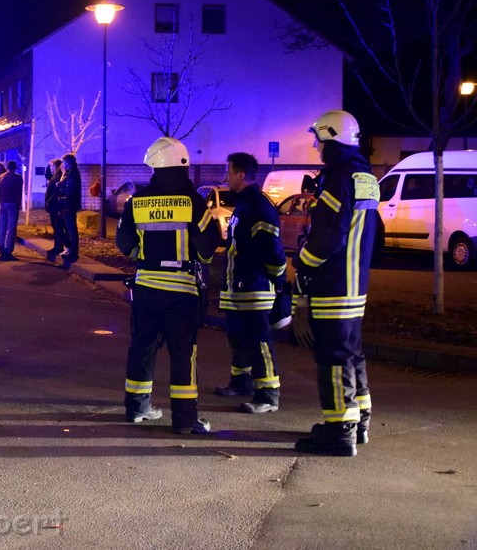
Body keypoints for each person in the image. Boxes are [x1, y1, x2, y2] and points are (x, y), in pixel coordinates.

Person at [116, 137, 221, 434]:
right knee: (183, 354)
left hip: (146, 288)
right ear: (183, 165)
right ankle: (185, 421)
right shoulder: (194, 202)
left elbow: (124, 245)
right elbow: (206, 251)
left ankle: (137, 409)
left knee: (142, 347)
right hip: (182, 291)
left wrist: (145, 257)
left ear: (154, 166)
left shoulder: (138, 201)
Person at [292, 110, 379, 457]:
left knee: (331, 356)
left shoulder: (340, 177)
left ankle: (338, 431)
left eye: (319, 140)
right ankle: (358, 423)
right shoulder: (364, 175)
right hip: (355, 283)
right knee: (351, 354)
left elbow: (328, 235)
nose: (316, 146)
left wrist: (303, 265)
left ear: (332, 139)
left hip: (333, 283)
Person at [215, 152, 287, 414]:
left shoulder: (258, 207)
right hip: (239, 289)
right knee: (238, 338)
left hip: (256, 289)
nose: (226, 177)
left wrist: (279, 283)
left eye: (229, 172)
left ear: (241, 175)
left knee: (259, 341)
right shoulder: (244, 205)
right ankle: (241, 382)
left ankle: (267, 395)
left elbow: (273, 252)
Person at [0, 160, 23, 261]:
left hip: (2, 204)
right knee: (11, 228)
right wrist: (19, 203)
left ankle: (2, 250)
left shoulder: (0, 177)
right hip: (12, 204)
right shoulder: (18, 178)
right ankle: (8, 251)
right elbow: (19, 192)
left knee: (2, 227)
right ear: (15, 167)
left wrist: (1, 198)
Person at [57, 153, 82, 265]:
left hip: (68, 205)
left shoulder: (73, 173)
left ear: (69, 162)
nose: (63, 165)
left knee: (71, 229)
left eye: (64, 162)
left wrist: (60, 186)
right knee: (60, 225)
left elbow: (69, 188)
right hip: (65, 204)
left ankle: (73, 252)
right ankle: (69, 248)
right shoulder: (69, 173)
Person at [44, 159, 66, 262]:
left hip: (55, 206)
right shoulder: (54, 176)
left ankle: (60, 246)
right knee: (56, 226)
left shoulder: (58, 177)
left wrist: (49, 202)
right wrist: (48, 167)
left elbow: (55, 192)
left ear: (56, 166)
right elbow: (47, 175)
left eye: (52, 166)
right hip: (53, 205)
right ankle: (57, 246)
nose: (51, 168)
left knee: (57, 227)